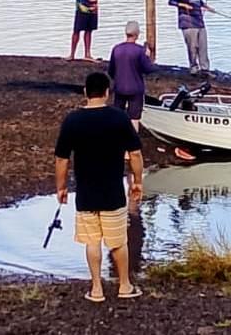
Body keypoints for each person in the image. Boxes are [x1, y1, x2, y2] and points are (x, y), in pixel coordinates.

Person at [55, 72, 144, 302]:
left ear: (85, 92)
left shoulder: (72, 120)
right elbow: (135, 153)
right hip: (113, 191)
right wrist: (138, 182)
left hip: (85, 192)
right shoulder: (119, 118)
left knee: (92, 241)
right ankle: (124, 286)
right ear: (107, 92)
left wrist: (61, 187)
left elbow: (62, 159)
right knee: (118, 242)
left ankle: (96, 289)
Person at [107, 20, 158, 131]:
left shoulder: (116, 49)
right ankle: (133, 142)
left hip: (119, 87)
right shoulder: (139, 51)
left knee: (118, 114)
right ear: (137, 34)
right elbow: (148, 69)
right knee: (134, 117)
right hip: (135, 89)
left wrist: (117, 79)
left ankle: (116, 136)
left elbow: (111, 70)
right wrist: (149, 58)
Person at [168, 0, 213, 75]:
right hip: (188, 23)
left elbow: (199, 2)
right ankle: (193, 68)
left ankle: (205, 69)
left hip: (199, 22)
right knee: (192, 47)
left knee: (203, 46)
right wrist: (183, 5)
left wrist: (207, 7)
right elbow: (171, 1)